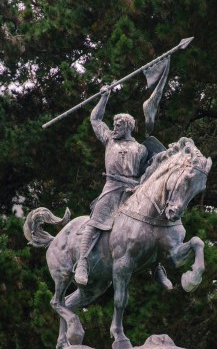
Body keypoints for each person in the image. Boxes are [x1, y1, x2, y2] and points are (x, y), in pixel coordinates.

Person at [74, 86, 173, 290]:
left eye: (118, 124)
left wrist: (142, 183)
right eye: (114, 124)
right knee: (95, 222)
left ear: (128, 125)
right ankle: (82, 263)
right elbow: (95, 119)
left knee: (153, 224)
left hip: (133, 191)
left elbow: (149, 173)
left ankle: (157, 267)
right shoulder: (109, 139)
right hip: (112, 188)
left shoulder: (142, 149)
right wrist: (104, 97)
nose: (115, 127)